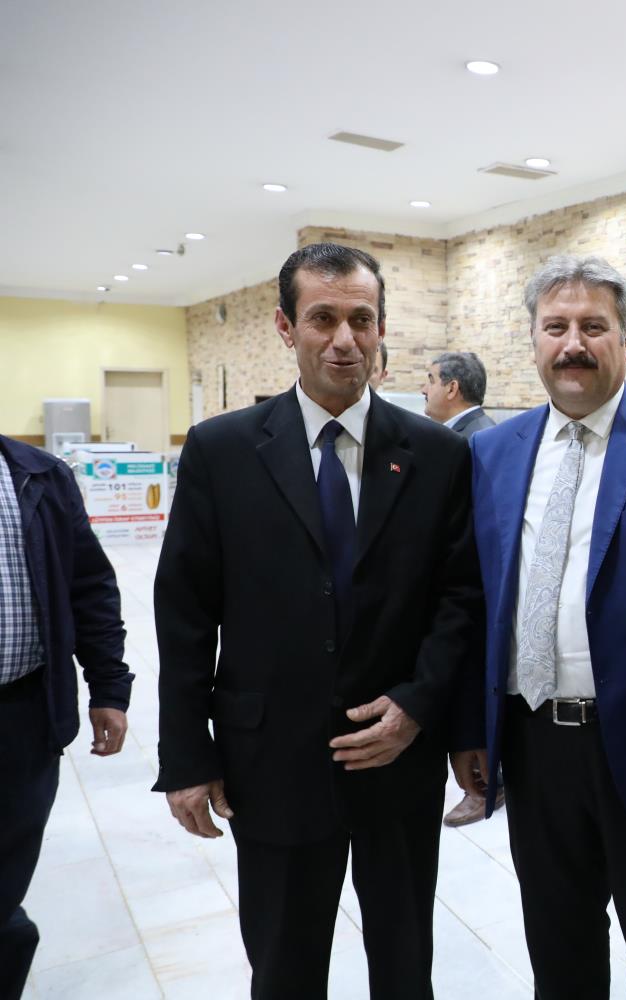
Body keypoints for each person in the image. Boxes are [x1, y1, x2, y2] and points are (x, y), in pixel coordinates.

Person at [153, 243, 483, 1000]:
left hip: (395, 757)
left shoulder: (436, 455)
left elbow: (460, 597)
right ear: (285, 326)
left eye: (361, 320)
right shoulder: (222, 451)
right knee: (283, 966)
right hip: (270, 758)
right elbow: (185, 613)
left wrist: (418, 704)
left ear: (381, 328)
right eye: (322, 318)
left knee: (405, 963)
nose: (344, 340)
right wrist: (187, 755)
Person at [464, 255, 626, 999]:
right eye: (556, 327)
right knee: (559, 947)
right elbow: (475, 599)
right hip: (532, 741)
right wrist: (472, 730)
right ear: (533, 341)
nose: (573, 343)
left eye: (593, 326)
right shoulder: (492, 452)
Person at [0, 436, 131, 1000]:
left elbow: (89, 586)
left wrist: (109, 687)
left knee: (8, 871)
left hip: (22, 718)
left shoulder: (40, 475)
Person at [420, 349, 500, 828]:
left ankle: (487, 784)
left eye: (430, 379)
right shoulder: (465, 436)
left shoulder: (475, 441)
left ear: (452, 388)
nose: (424, 388)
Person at [422, 351, 495, 439]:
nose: (423, 390)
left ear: (452, 389)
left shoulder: (476, 441)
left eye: (431, 381)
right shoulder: (481, 433)